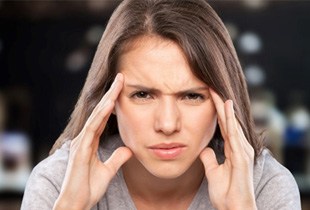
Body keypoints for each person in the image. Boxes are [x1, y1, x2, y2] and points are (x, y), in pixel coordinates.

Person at [21, 0, 301, 209]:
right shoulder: (58, 183)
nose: (167, 124)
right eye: (142, 95)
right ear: (109, 100)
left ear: (224, 100)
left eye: (192, 96)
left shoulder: (264, 186)